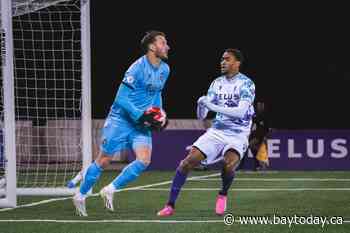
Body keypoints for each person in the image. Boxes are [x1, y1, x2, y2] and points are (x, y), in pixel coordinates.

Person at [72, 30, 170, 216]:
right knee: (104, 160)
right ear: (151, 47)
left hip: (141, 123)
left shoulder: (165, 69)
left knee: (144, 160)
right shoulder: (136, 68)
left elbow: (156, 93)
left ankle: (110, 189)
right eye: (163, 42)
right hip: (121, 120)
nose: (167, 46)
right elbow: (121, 98)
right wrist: (140, 115)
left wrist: (159, 113)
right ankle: (81, 195)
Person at [157, 48, 255, 217]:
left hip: (238, 133)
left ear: (237, 63)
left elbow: (240, 112)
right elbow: (202, 116)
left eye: (227, 59)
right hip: (217, 131)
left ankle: (223, 194)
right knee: (186, 163)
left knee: (228, 164)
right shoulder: (216, 83)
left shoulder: (247, 84)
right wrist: (201, 105)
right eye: (222, 59)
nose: (222, 62)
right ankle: (170, 205)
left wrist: (212, 106)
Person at [248, 101, 270, 170]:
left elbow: (267, 128)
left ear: (263, 106)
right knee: (254, 148)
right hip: (255, 135)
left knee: (252, 145)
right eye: (258, 105)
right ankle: (260, 164)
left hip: (261, 135)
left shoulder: (265, 116)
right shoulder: (255, 115)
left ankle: (260, 164)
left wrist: (265, 136)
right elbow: (252, 123)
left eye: (260, 105)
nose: (259, 107)